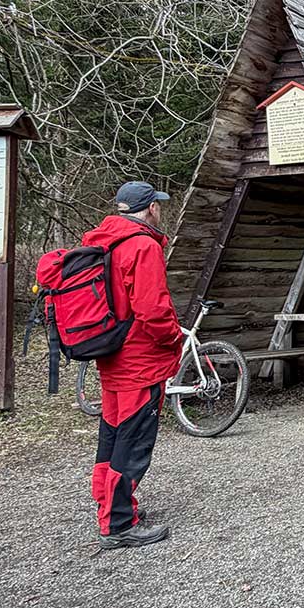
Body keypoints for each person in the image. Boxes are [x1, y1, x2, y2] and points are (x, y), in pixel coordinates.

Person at [84, 180, 182, 549]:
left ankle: (108, 503)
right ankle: (118, 522)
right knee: (134, 442)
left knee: (112, 436)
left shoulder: (101, 242)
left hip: (111, 358)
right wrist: (174, 338)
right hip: (140, 362)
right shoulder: (142, 246)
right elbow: (153, 309)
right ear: (151, 208)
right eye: (158, 205)